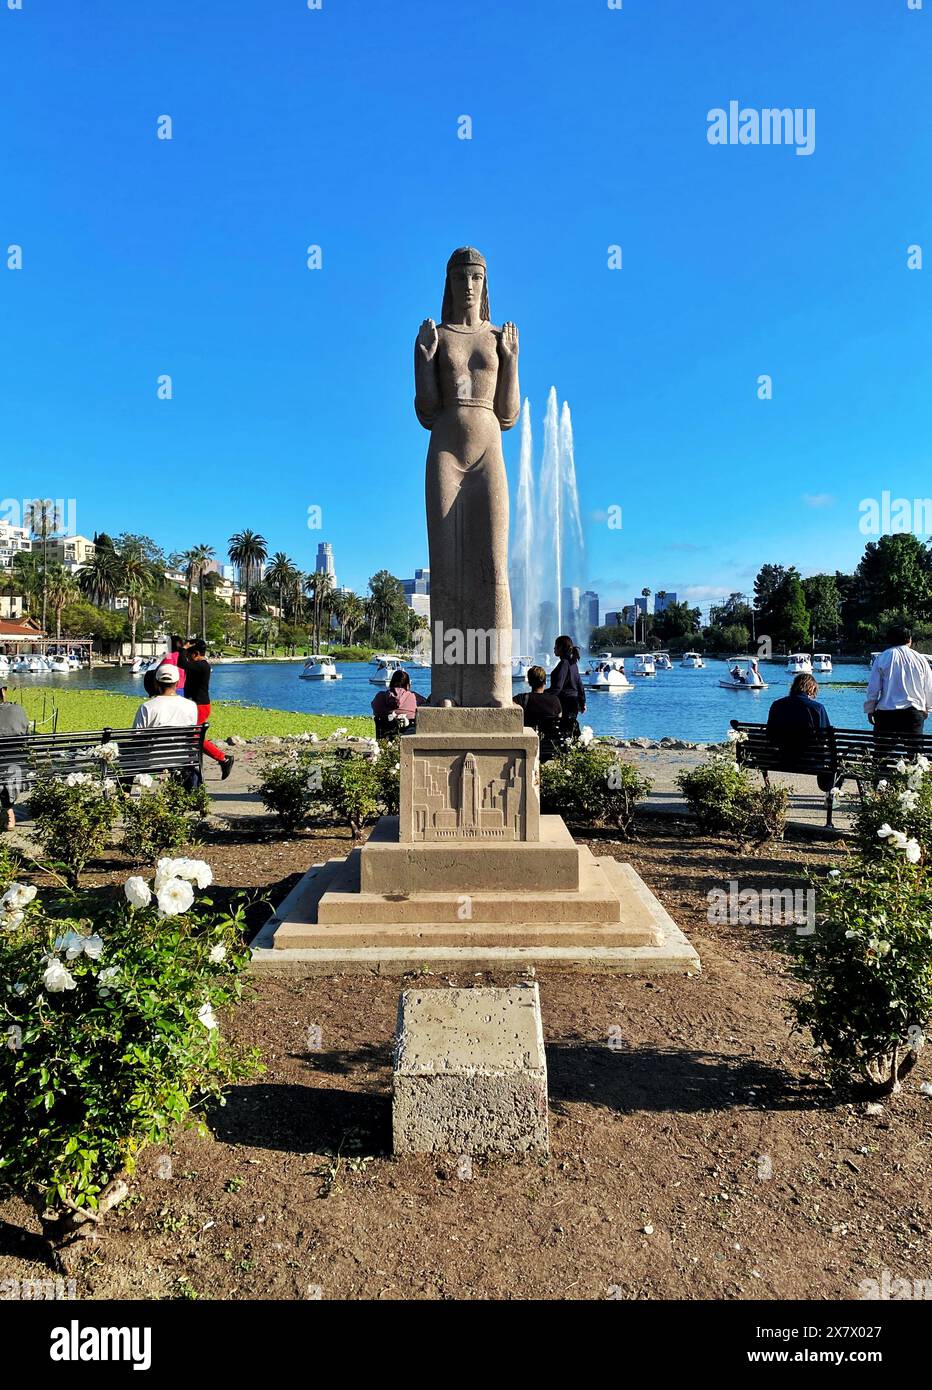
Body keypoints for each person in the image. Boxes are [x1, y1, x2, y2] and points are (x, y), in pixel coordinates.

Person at [177, 639, 234, 780]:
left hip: (200, 706)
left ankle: (223, 759)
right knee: (192, 736)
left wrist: (183, 648)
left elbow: (181, 663)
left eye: (190, 654)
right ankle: (193, 763)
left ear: (196, 654)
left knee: (194, 736)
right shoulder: (198, 665)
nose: (188, 657)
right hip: (195, 705)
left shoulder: (202, 665)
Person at [864, 624, 932, 735]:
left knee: (882, 751)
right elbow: (929, 686)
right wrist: (927, 708)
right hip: (913, 712)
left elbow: (873, 688)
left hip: (886, 713)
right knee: (914, 751)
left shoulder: (882, 658)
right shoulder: (920, 659)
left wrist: (870, 709)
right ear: (909, 639)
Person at [514, 665, 562, 760]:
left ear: (529, 682)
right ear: (545, 681)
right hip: (551, 746)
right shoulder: (555, 700)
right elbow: (559, 717)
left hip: (529, 746)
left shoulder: (522, 699)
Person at [132, 664, 199, 729]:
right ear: (178, 683)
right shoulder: (191, 706)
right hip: (183, 740)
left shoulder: (146, 707)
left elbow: (136, 735)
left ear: (155, 683)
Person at [0, 683, 29, 831]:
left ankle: (9, 812)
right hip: (18, 765)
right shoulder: (18, 710)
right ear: (3, 692)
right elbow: (26, 735)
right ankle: (9, 812)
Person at [550, 635, 586, 739]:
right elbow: (580, 685)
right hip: (573, 703)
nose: (554, 649)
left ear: (561, 647)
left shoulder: (564, 664)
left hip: (565, 703)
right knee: (570, 732)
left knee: (564, 732)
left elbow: (557, 688)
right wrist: (582, 702)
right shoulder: (573, 663)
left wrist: (542, 696)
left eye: (555, 646)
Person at [371, 670, 426, 737]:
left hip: (384, 740)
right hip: (408, 739)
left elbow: (375, 711)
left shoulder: (379, 697)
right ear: (408, 685)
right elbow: (426, 706)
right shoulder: (415, 697)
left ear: (390, 683)